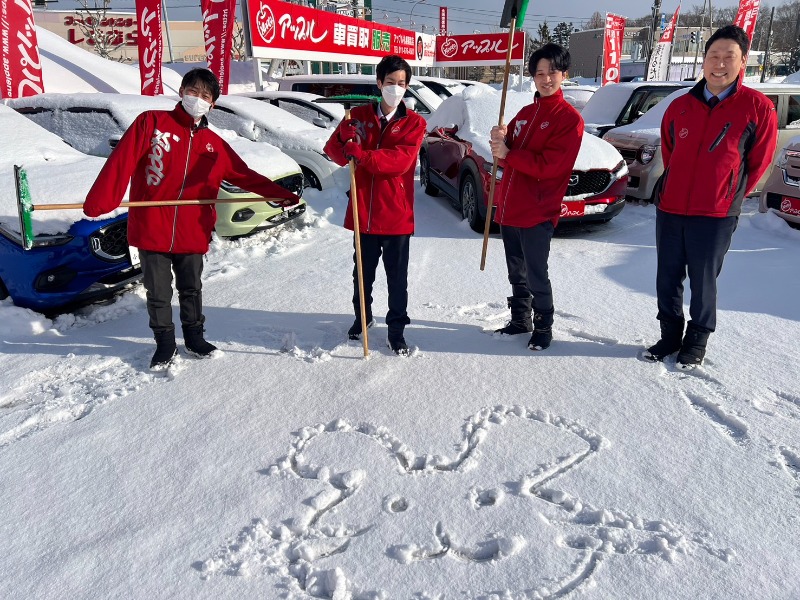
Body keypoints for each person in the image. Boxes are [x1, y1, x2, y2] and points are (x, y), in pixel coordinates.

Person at [83, 68, 301, 371]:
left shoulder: (213, 144)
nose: (197, 99)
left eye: (205, 96)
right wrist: (101, 200)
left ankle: (195, 337)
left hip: (191, 228)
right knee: (158, 292)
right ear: (182, 92)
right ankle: (164, 342)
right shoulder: (152, 123)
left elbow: (243, 175)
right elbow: (122, 161)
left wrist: (279, 195)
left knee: (191, 288)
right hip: (152, 226)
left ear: (212, 104)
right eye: (193, 92)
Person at [644, 25, 778, 369]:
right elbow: (671, 152)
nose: (719, 63)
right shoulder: (680, 106)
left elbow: (757, 163)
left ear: (743, 61)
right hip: (671, 208)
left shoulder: (757, 108)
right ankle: (669, 335)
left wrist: (726, 194)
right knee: (667, 278)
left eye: (728, 56)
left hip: (716, 214)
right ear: (703, 60)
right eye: (713, 55)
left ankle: (697, 339)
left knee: (704, 281)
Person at [323, 55, 426, 356]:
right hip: (363, 213)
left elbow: (400, 161)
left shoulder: (414, 122)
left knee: (397, 279)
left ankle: (396, 331)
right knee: (362, 275)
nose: (396, 88)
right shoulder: (358, 116)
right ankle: (363, 318)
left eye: (402, 83)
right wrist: (343, 139)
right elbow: (334, 153)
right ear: (379, 83)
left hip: (396, 215)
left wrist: (364, 155)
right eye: (390, 82)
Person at [489, 43, 583, 351]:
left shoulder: (568, 119)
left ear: (564, 74)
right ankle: (520, 319)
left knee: (536, 274)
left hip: (538, 211)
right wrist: (500, 141)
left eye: (552, 72)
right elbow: (506, 156)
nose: (546, 79)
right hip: (510, 208)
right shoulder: (526, 113)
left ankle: (543, 326)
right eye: (539, 73)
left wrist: (509, 153)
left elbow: (550, 167)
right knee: (516, 271)